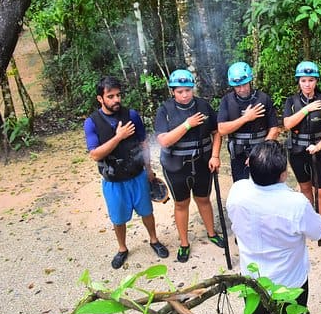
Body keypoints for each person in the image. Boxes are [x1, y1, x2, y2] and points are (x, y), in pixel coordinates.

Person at [226, 140, 321, 314]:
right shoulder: (296, 204)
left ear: (249, 164)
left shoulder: (237, 191)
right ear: (284, 175)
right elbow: (317, 232)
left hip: (253, 282)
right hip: (289, 284)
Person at [83, 76, 169, 269]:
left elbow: (144, 143)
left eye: (118, 95)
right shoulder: (92, 123)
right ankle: (122, 248)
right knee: (118, 218)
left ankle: (154, 240)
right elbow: (95, 154)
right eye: (110, 96)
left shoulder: (132, 115)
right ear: (100, 98)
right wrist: (118, 137)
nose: (116, 100)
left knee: (147, 212)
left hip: (137, 175)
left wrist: (149, 170)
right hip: (113, 180)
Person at [154, 69, 225, 263]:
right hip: (176, 165)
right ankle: (184, 243)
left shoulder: (203, 105)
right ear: (172, 91)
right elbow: (164, 141)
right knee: (181, 203)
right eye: (179, 91)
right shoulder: (165, 110)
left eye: (188, 90)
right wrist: (187, 124)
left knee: (204, 199)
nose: (185, 95)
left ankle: (212, 233)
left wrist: (216, 155)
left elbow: (216, 132)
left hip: (202, 162)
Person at [283, 61, 321, 241]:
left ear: (316, 81)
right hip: (298, 150)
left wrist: (319, 146)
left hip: (318, 150)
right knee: (305, 187)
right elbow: (287, 124)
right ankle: (309, 220)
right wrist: (306, 109)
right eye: (304, 80)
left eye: (311, 80)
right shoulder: (291, 101)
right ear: (299, 82)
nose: (307, 84)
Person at [218, 62, 280, 182]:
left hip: (261, 150)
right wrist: (246, 118)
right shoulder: (227, 101)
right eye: (237, 86)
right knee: (241, 188)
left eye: (244, 84)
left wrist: (260, 152)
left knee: (264, 187)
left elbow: (274, 129)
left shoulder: (263, 98)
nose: (242, 89)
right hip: (238, 152)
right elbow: (221, 129)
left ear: (250, 81)